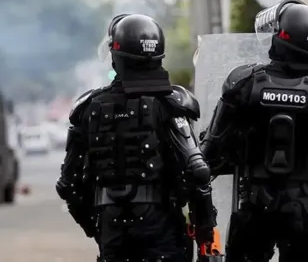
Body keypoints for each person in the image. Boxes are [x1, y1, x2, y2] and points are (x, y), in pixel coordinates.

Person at [199, 0, 308, 262]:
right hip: (305, 208)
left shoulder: (244, 82)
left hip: (256, 207)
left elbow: (210, 154)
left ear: (281, 39)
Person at [55, 14, 217, 262]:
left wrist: (94, 226)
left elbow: (69, 184)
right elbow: (197, 170)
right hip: (160, 224)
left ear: (116, 55)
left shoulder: (89, 107)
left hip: (112, 227)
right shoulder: (170, 104)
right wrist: (204, 227)